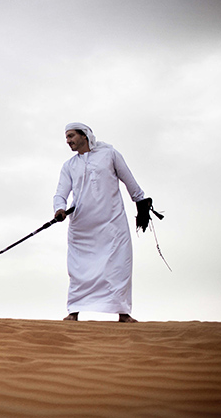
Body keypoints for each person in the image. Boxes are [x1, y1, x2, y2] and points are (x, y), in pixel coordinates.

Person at [53, 122, 149, 323]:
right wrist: (59, 209)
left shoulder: (109, 154)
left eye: (71, 136)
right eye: (66, 138)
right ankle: (74, 311)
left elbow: (128, 179)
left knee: (119, 265)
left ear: (85, 135)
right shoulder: (69, 166)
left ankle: (123, 313)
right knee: (79, 269)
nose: (68, 141)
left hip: (112, 222)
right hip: (82, 227)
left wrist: (140, 200)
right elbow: (61, 193)